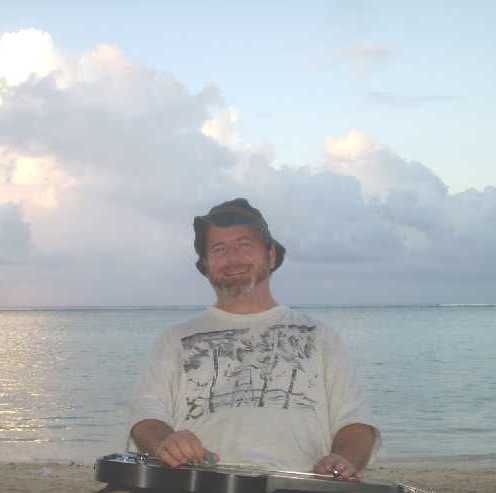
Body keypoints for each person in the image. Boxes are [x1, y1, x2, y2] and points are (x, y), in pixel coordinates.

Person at [128, 198, 380, 482]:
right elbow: (146, 419)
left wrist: (342, 460)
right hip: (199, 483)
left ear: (271, 255)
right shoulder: (173, 340)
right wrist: (167, 441)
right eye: (219, 249)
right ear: (206, 265)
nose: (233, 258)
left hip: (296, 486)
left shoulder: (320, 336)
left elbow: (356, 424)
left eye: (244, 245)